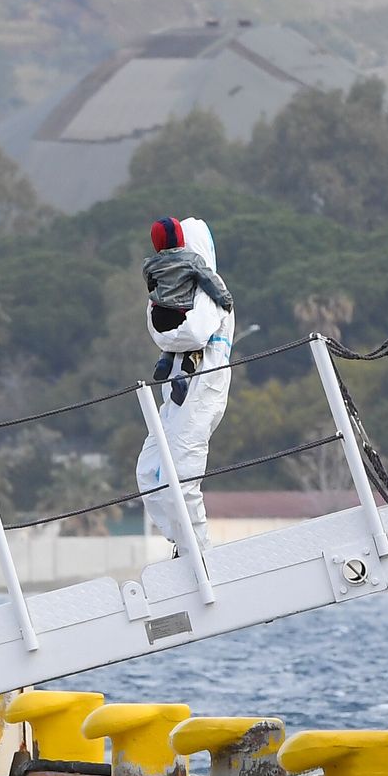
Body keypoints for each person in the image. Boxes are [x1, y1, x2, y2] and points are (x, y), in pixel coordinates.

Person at [136, 217, 234, 559]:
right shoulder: (172, 286)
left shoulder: (211, 290)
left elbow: (192, 334)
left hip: (203, 388)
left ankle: (198, 552)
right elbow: (158, 332)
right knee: (148, 471)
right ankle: (181, 541)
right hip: (174, 396)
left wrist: (169, 326)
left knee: (184, 471)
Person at [143, 217, 234, 405]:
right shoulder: (192, 260)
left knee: (171, 337)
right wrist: (225, 300)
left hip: (158, 318)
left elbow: (152, 284)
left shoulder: (149, 265)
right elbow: (209, 281)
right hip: (180, 314)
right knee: (195, 342)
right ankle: (184, 376)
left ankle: (165, 360)